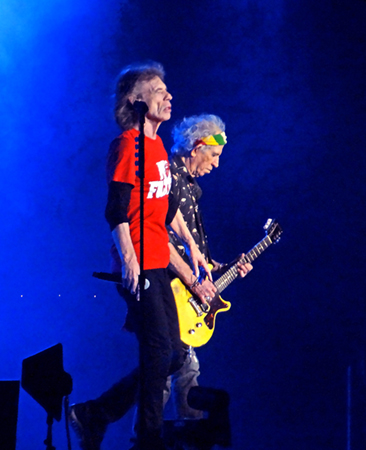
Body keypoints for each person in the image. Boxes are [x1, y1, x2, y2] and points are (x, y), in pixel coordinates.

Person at [69, 62, 209, 450]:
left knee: (176, 354)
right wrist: (128, 258)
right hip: (138, 265)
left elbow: (165, 210)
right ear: (137, 101)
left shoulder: (158, 146)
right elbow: (115, 210)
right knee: (159, 350)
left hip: (159, 262)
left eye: (167, 90)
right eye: (158, 90)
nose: (168, 96)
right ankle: (148, 438)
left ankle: (95, 414)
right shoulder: (127, 145)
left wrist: (192, 245)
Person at [163, 114, 252, 421]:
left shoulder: (190, 188)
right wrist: (193, 280)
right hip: (168, 286)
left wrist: (224, 267)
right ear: (196, 148)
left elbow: (193, 255)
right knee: (171, 366)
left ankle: (183, 436)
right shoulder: (169, 178)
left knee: (177, 368)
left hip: (182, 287)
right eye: (213, 155)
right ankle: (101, 414)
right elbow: (160, 238)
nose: (216, 164)